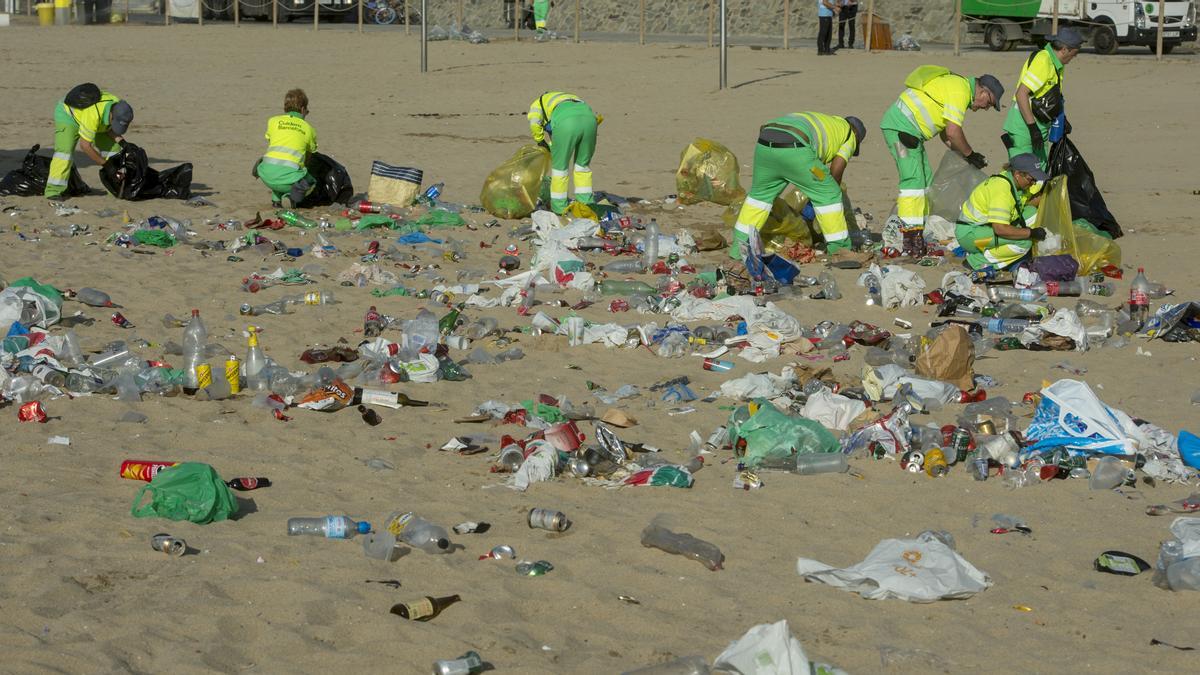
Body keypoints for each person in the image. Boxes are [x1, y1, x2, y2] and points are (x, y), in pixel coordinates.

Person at [880, 67, 1004, 256]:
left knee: (926, 182)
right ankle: (910, 240)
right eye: (989, 103)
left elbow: (947, 135)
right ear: (982, 91)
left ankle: (918, 230)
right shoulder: (960, 90)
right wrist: (970, 154)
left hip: (911, 131)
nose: (985, 108)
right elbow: (954, 132)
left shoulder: (958, 87)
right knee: (912, 184)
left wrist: (965, 156)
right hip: (901, 129)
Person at [729, 112, 867, 259]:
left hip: (765, 143)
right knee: (830, 192)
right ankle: (840, 249)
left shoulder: (827, 122)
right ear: (857, 136)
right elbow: (836, 169)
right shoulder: (849, 135)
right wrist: (826, 191)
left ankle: (738, 249)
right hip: (796, 148)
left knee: (758, 199)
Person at [1001, 27, 1083, 167]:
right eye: (1074, 54)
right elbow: (1021, 94)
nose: (1074, 58)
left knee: (1039, 173)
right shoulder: (1043, 61)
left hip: (1040, 127)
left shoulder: (1057, 64)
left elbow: (1051, 95)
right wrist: (1033, 129)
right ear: (1064, 50)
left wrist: (1061, 118)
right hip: (1024, 128)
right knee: (1024, 174)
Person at [955, 153, 1048, 272]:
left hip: (982, 228)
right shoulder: (1002, 190)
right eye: (1031, 180)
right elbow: (1000, 229)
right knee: (1024, 243)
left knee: (1032, 213)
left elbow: (1025, 206)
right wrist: (1030, 233)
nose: (1033, 183)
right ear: (1018, 174)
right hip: (969, 234)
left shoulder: (1012, 181)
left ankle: (998, 252)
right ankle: (976, 261)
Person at [46, 83, 133, 199]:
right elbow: (85, 146)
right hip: (68, 115)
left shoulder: (118, 106)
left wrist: (123, 143)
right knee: (64, 153)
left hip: (94, 119)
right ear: (111, 115)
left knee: (114, 150)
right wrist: (107, 165)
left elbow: (109, 130)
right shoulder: (93, 115)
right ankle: (53, 190)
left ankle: (114, 187)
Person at [528, 91, 601, 214]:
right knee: (582, 166)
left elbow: (535, 124)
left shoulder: (537, 104)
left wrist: (540, 140)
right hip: (590, 120)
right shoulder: (569, 97)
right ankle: (586, 204)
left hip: (566, 123)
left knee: (560, 169)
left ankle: (559, 207)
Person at [255, 89, 318, 208]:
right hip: (288, 177)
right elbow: (309, 155)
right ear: (303, 110)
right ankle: (291, 197)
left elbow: (272, 141)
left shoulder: (273, 121)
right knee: (310, 181)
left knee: (279, 170)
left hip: (266, 174)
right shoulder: (308, 129)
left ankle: (276, 200)